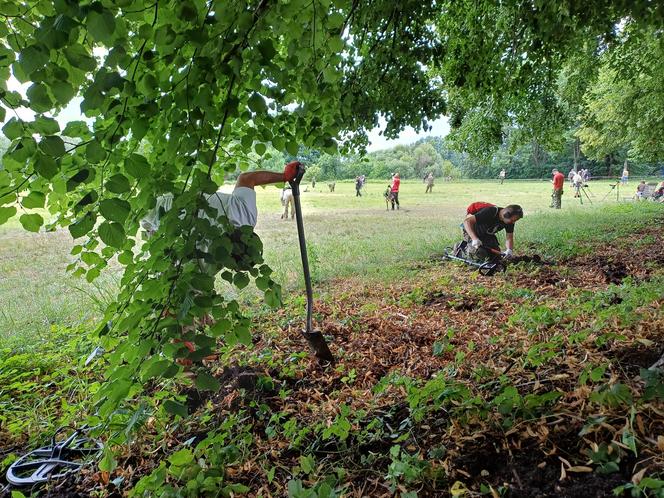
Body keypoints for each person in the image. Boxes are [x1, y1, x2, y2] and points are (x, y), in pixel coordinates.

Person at [455, 203, 524, 261]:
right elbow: (467, 222)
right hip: (471, 231)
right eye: (512, 220)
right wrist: (474, 239)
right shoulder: (490, 211)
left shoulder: (510, 222)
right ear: (506, 215)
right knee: (480, 253)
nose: (513, 222)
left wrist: (509, 250)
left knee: (496, 257)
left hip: (486, 234)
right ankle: (461, 248)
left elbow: (509, 237)